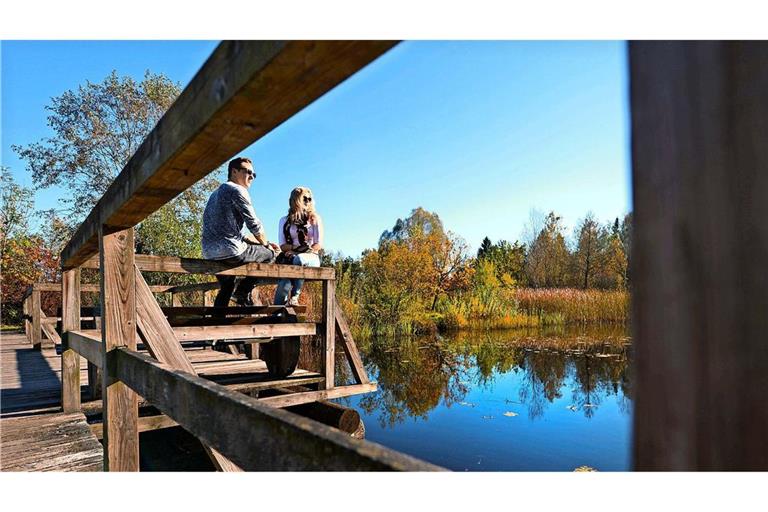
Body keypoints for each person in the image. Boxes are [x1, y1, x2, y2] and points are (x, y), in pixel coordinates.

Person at [201, 156, 279, 307]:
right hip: (231, 251)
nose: (252, 176)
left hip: (209, 253)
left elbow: (225, 228)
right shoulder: (238, 190)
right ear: (234, 171)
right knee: (270, 255)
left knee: (227, 285)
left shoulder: (215, 194)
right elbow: (254, 225)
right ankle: (242, 291)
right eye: (248, 172)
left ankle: (217, 323)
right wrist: (267, 245)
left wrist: (251, 240)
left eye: (254, 174)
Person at [273, 187, 323, 306]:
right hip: (290, 256)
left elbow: (318, 244)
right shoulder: (284, 220)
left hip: (311, 257)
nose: (308, 201)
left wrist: (300, 252)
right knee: (284, 282)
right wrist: (294, 250)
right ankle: (276, 314)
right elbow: (283, 245)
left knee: (299, 259)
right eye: (304, 198)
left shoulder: (314, 219)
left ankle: (295, 296)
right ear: (295, 200)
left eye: (310, 199)